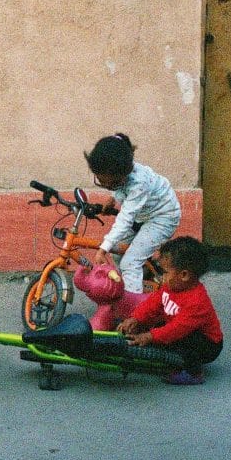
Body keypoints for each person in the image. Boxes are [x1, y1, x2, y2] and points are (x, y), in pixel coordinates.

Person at [84, 132, 181, 330]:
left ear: (124, 175)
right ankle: (136, 281)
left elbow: (125, 219)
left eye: (111, 184)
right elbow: (120, 191)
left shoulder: (139, 183)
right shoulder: (120, 175)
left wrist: (103, 248)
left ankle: (134, 316)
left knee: (130, 262)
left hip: (162, 217)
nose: (106, 186)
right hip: (143, 215)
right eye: (101, 182)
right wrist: (113, 197)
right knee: (120, 252)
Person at [118, 236, 224, 385]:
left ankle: (193, 373)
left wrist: (149, 336)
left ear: (184, 275)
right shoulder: (171, 287)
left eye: (165, 272)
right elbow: (152, 304)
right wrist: (135, 318)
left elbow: (176, 329)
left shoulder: (197, 301)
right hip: (178, 327)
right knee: (158, 327)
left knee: (185, 342)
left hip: (207, 344)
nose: (162, 277)